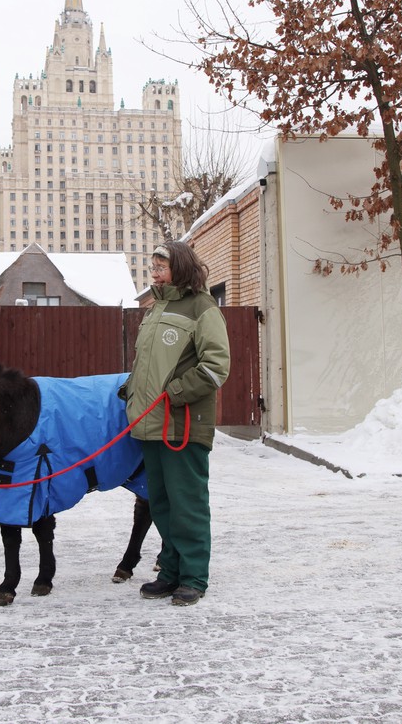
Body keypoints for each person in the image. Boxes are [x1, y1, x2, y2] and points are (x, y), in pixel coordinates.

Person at [119, 241, 230, 606]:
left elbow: (216, 365)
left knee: (188, 504)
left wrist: (177, 393)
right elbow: (148, 364)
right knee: (162, 503)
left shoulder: (203, 307)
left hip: (183, 424)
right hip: (150, 423)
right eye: (152, 266)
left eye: (160, 266)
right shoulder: (156, 308)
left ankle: (194, 576)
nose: (154, 272)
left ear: (179, 267)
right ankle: (170, 572)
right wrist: (131, 390)